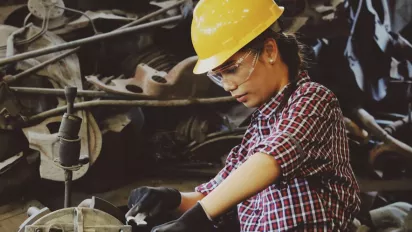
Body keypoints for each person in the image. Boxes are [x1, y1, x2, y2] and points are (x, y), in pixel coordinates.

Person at [126, 0, 361, 231]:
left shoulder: (314, 99)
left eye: (231, 69)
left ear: (269, 51)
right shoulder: (258, 127)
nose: (227, 85)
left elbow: (272, 159)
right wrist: (170, 199)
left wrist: (198, 218)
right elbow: (217, 193)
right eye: (218, 76)